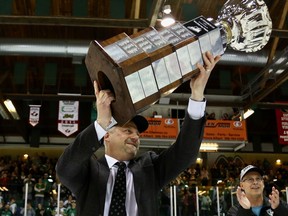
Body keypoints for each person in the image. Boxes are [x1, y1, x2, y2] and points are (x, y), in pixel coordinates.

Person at [56, 51, 220, 215]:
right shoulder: (89, 171)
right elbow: (65, 168)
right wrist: (101, 123)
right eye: (127, 130)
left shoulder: (150, 168)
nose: (135, 136)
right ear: (106, 135)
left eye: (137, 134)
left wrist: (197, 95)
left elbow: (185, 153)